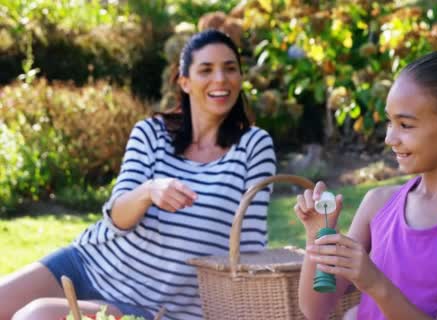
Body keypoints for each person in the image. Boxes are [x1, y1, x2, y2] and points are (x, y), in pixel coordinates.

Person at [0, 29, 277, 320]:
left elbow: (249, 247)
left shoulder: (253, 146)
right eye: (206, 69)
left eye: (230, 68)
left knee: (36, 316)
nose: (220, 79)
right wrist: (149, 191)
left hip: (149, 305)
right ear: (184, 82)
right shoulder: (151, 133)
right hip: (89, 263)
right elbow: (117, 217)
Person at [295, 51, 437, 320]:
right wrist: (318, 235)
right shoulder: (377, 204)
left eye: (405, 125)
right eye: (390, 122)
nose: (391, 138)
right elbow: (315, 309)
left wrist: (375, 284)